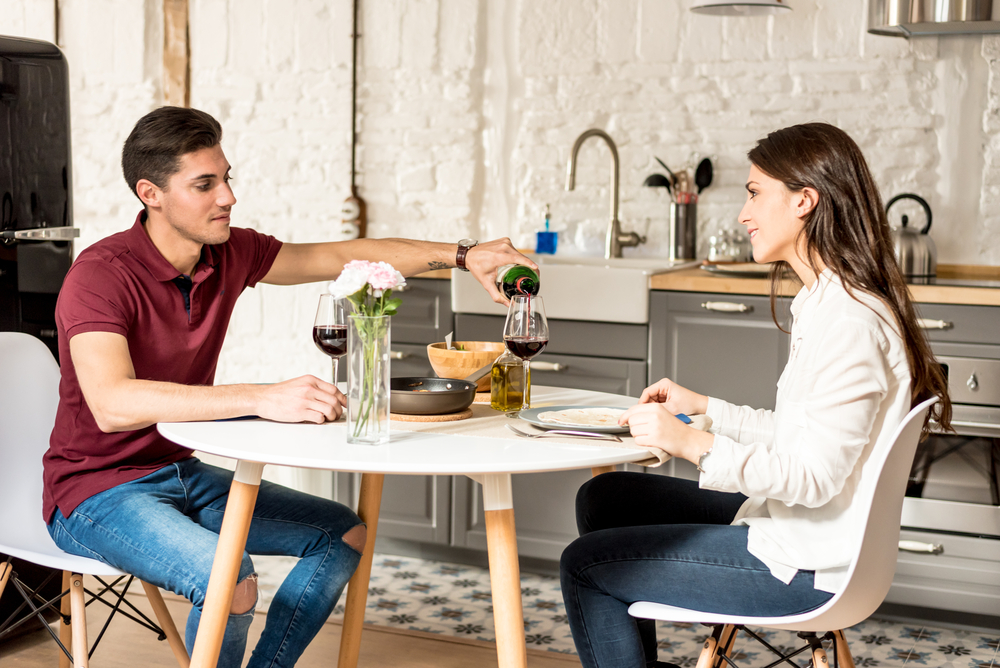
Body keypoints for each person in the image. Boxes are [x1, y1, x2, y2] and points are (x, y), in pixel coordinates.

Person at [42, 105, 535, 668]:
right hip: (92, 492)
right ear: (150, 193)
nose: (227, 196)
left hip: (177, 471)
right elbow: (112, 404)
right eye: (205, 184)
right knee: (232, 579)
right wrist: (261, 396)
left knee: (342, 536)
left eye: (227, 177)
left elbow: (338, 257)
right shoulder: (100, 274)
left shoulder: (226, 252)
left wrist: (464, 255)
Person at [559, 122, 952, 668]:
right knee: (604, 500)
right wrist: (708, 411)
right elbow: (802, 437)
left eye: (754, 193)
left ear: (805, 201)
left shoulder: (849, 322)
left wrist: (692, 444)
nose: (744, 214)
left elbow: (814, 478)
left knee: (585, 566)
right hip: (794, 531)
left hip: (804, 567)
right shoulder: (827, 300)